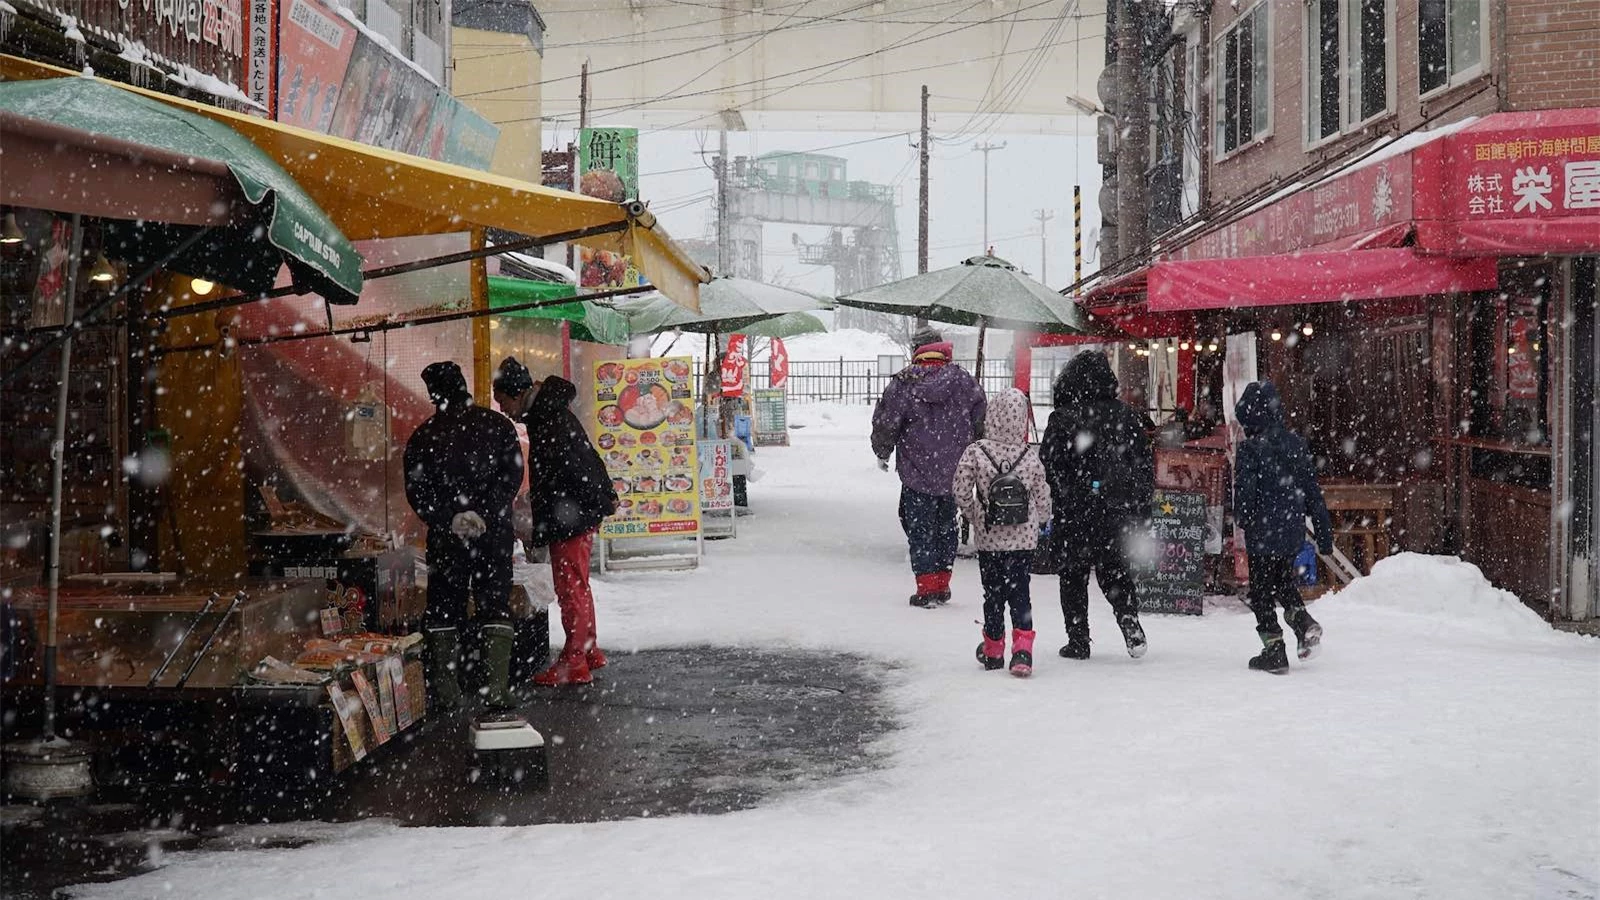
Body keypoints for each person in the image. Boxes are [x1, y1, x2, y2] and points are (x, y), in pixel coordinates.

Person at [403, 362, 525, 711]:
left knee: (443, 608)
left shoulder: (424, 435)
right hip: (494, 534)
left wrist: (451, 519)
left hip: (446, 538)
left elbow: (417, 491)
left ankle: (446, 692)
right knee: (494, 604)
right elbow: (511, 476)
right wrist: (484, 514)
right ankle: (495, 690)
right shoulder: (498, 425)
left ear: (434, 395)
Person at [493, 358, 618, 687]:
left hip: (571, 516)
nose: (503, 409)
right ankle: (589, 650)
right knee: (578, 584)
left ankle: (574, 661)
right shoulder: (550, 412)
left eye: (503, 400)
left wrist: (593, 500)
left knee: (570, 589)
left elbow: (575, 467)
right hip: (577, 512)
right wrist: (603, 497)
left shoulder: (548, 419)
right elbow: (587, 455)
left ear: (517, 393)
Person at [1039, 351, 1154, 660]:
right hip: (1115, 510)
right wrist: (1140, 506)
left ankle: (1078, 639)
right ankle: (1128, 618)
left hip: (1074, 510)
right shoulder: (1127, 416)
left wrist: (1065, 492)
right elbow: (1143, 466)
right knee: (1114, 569)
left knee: (1073, 574)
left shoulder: (1063, 418)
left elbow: (1048, 465)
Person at [871, 328, 987, 608]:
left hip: (916, 470)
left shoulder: (904, 383)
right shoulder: (963, 381)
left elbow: (887, 422)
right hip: (953, 470)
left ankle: (926, 587)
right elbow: (982, 419)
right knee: (946, 526)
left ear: (918, 350)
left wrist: (882, 450)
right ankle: (942, 583)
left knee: (918, 526)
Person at [1233, 381, 1333, 673]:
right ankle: (1303, 624)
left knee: (1262, 591)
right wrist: (1323, 532)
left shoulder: (1251, 449)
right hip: (1291, 530)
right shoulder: (1296, 445)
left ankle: (1274, 649)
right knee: (1283, 581)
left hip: (1263, 532)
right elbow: (1312, 492)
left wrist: (1243, 518)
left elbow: (1246, 492)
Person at [952, 389, 1052, 677]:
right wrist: (1039, 520)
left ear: (992, 415)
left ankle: (993, 649)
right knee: (1020, 593)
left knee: (993, 594)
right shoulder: (1029, 455)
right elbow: (1043, 497)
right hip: (1023, 539)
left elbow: (959, 490)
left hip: (989, 537)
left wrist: (974, 513)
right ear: (1021, 419)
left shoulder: (976, 451)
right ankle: (1022, 652)